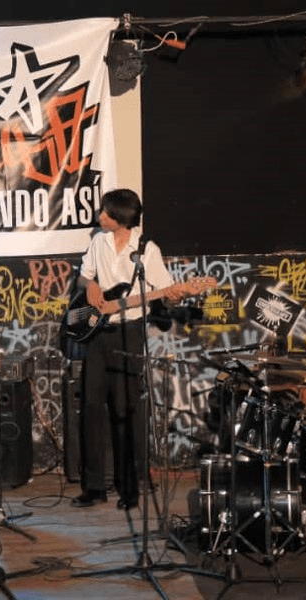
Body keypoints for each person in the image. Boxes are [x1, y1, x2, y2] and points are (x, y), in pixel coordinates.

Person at [71, 188, 212, 509]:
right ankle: (93, 486)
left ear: (120, 217)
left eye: (106, 212)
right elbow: (83, 277)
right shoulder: (98, 242)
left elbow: (165, 291)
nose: (100, 216)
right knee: (91, 409)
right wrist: (91, 284)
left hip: (129, 333)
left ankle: (130, 488)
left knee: (126, 411)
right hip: (97, 334)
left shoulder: (147, 250)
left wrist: (177, 294)